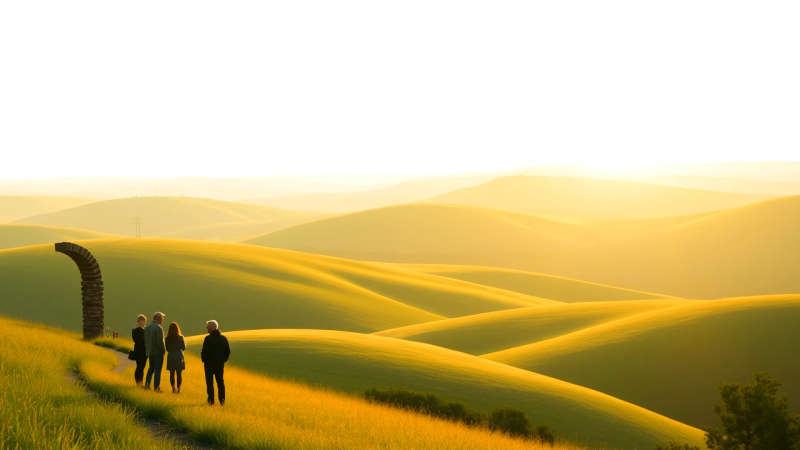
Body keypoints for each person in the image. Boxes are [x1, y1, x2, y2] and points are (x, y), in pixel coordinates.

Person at [201, 319, 230, 405]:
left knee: (210, 383)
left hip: (209, 365)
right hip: (219, 364)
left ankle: (211, 401)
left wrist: (204, 360)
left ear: (211, 328)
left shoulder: (208, 338)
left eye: (207, 327)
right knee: (220, 382)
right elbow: (227, 351)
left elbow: (204, 351)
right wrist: (223, 360)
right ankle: (222, 401)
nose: (207, 329)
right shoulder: (223, 338)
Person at [144, 312, 166, 392]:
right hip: (158, 353)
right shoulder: (158, 328)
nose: (163, 320)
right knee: (157, 371)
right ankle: (156, 388)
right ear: (158, 318)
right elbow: (160, 342)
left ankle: (147, 385)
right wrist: (163, 350)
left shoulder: (147, 327)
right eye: (162, 318)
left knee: (151, 369)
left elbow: (145, 340)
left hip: (150, 352)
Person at [165, 322, 186, 393]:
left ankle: (173, 388)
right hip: (179, 357)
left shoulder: (167, 338)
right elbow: (183, 348)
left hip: (171, 357)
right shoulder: (181, 337)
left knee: (172, 374)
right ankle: (179, 388)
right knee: (179, 374)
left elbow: (167, 349)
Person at [131, 314, 148, 386]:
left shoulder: (135, 330)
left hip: (139, 351)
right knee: (140, 368)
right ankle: (139, 382)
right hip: (142, 351)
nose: (144, 323)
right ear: (139, 321)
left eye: (144, 321)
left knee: (140, 367)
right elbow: (141, 341)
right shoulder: (139, 331)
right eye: (143, 321)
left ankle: (139, 382)